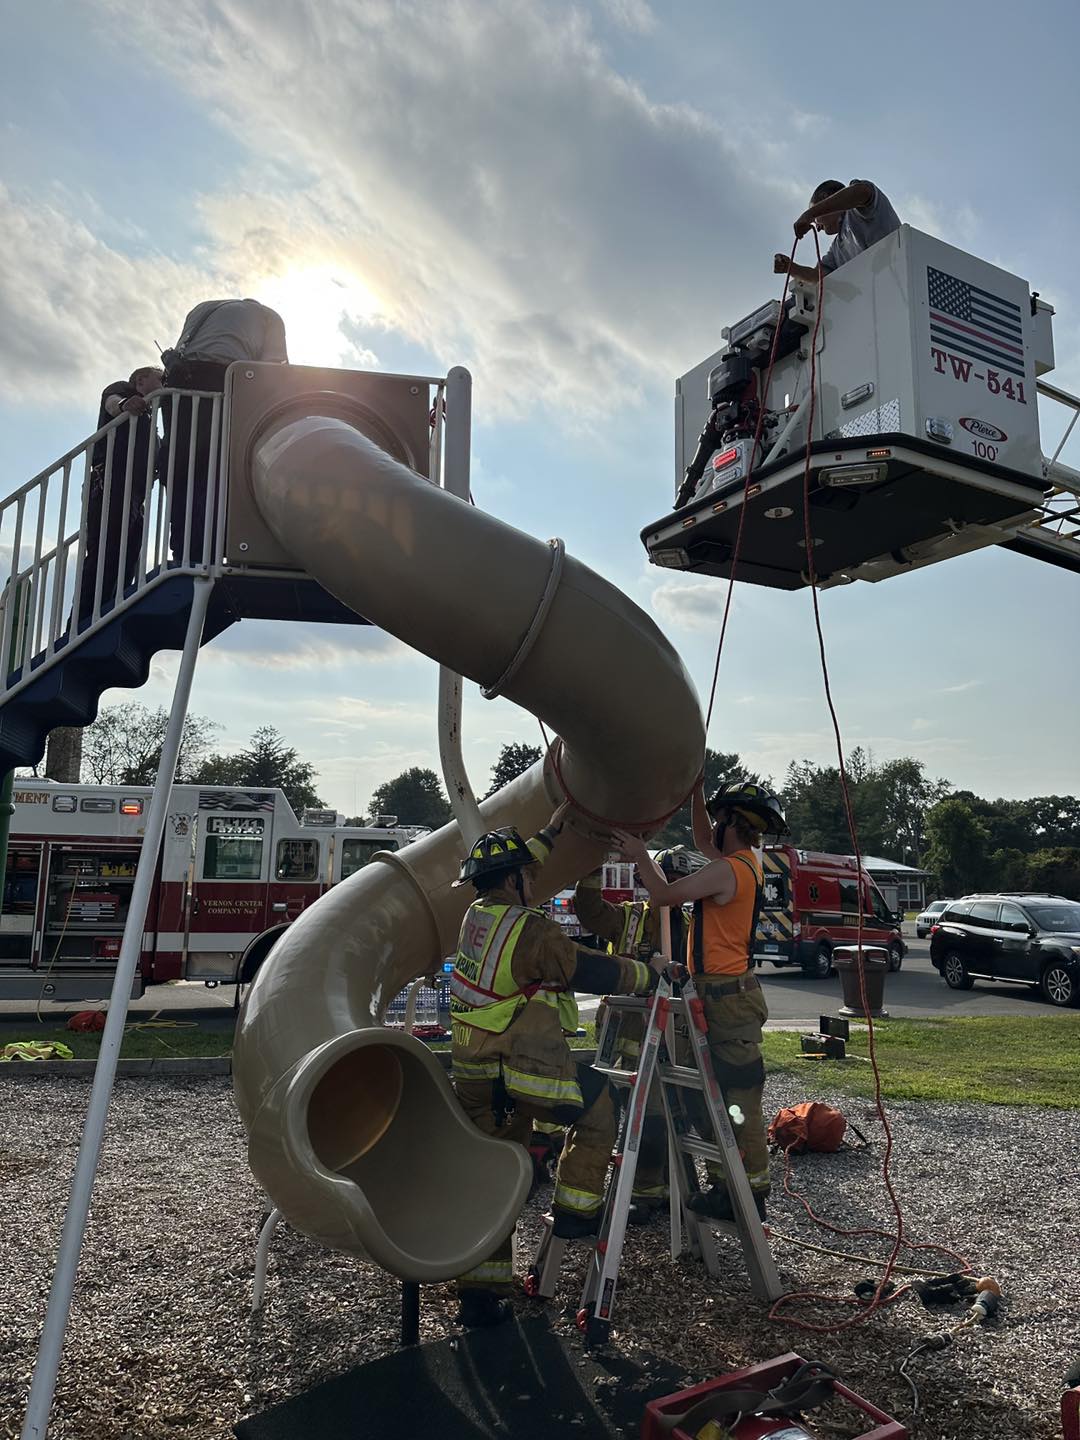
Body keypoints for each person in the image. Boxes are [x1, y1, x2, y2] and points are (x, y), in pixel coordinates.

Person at [450, 814, 664, 1328]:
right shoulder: (531, 928)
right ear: (511, 880)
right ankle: (576, 1212)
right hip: (515, 1068)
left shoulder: (477, 917)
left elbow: (523, 867)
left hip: (473, 1070)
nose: (534, 882)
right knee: (597, 1111)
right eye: (526, 875)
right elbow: (584, 967)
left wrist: (549, 832)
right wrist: (648, 974)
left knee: (495, 1170)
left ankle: (480, 1292)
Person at [617, 780, 789, 1223]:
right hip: (721, 994)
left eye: (718, 819)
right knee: (711, 1097)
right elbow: (699, 840)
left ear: (731, 823)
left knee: (738, 1095)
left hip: (726, 999)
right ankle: (727, 1184)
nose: (711, 827)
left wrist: (639, 855)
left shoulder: (729, 870)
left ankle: (747, 1192)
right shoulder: (743, 863)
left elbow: (664, 895)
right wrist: (695, 792)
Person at [573, 847, 702, 1223]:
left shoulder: (695, 927)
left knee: (666, 1113)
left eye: (678, 880)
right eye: (665, 878)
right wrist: (592, 866)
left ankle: (655, 1189)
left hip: (676, 1034)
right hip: (626, 1032)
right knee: (621, 1111)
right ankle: (635, 1190)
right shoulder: (629, 918)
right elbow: (590, 910)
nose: (671, 886)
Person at [160, 299, 288, 564]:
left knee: (180, 469)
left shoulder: (204, 307)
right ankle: (207, 551)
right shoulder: (269, 317)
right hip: (221, 381)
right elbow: (273, 367)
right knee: (218, 468)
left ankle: (183, 553)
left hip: (177, 385)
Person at [78, 366, 163, 627]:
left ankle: (110, 612)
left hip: (135, 495)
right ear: (141, 380)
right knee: (105, 551)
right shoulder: (123, 391)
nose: (164, 384)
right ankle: (82, 620)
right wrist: (127, 404)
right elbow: (112, 403)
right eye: (161, 379)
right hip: (110, 484)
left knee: (128, 556)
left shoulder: (149, 423)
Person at [774, 179, 900, 284]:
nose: (817, 227)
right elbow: (817, 277)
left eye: (816, 221)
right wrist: (791, 268)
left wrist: (809, 215)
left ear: (825, 198)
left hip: (901, 272)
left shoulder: (860, 210)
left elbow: (861, 192)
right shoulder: (836, 248)